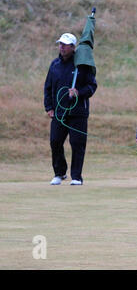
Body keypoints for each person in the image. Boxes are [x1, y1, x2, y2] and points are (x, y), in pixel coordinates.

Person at [44, 33, 97, 185]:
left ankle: (76, 176)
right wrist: (48, 107)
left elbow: (92, 86)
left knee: (77, 144)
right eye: (60, 44)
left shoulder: (82, 66)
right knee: (55, 141)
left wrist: (79, 92)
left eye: (65, 44)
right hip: (59, 111)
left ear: (73, 47)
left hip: (78, 112)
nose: (61, 47)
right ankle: (59, 173)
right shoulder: (54, 65)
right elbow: (48, 88)